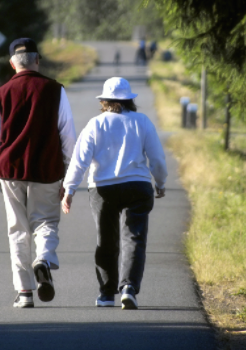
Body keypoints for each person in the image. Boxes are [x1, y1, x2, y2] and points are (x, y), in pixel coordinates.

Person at [0, 38, 77, 308]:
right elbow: (68, 137)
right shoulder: (55, 90)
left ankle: (24, 293)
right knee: (45, 221)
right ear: (38, 60)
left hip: (10, 171)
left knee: (18, 229)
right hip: (47, 169)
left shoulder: (1, 94)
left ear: (12, 64)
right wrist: (69, 178)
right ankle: (43, 259)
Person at [61, 77, 168, 310]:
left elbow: (80, 160)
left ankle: (107, 294)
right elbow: (157, 157)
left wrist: (69, 189)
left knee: (106, 241)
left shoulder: (95, 123)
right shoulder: (142, 121)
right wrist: (160, 182)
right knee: (134, 238)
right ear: (130, 100)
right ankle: (128, 288)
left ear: (104, 101)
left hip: (103, 188)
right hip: (137, 185)